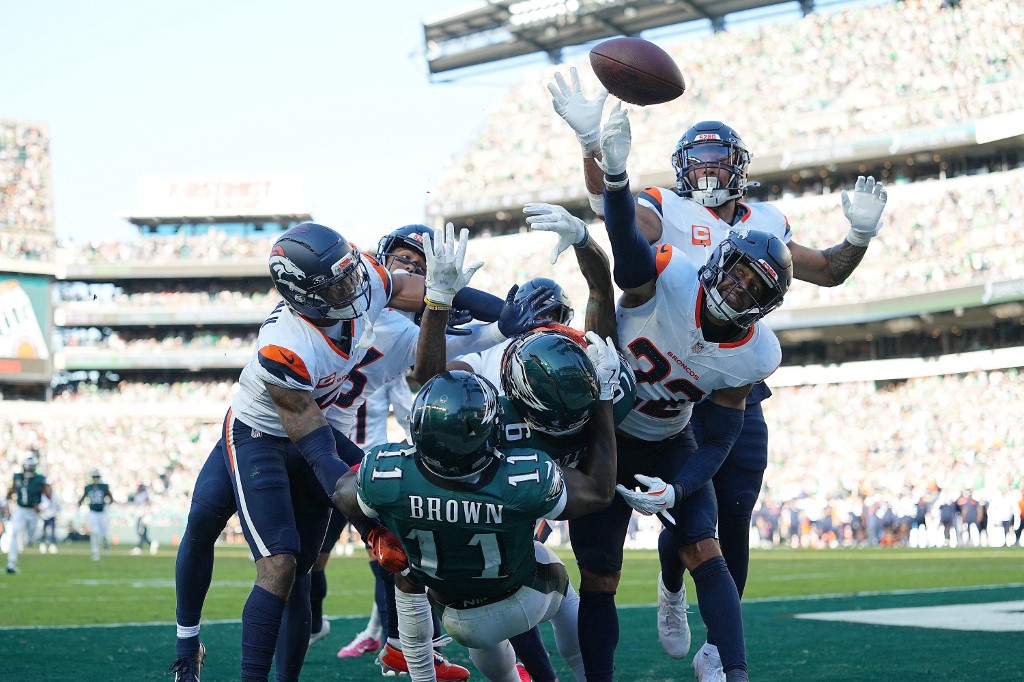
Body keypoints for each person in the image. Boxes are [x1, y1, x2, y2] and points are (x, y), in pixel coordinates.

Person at [549, 66, 887, 679]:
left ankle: (708, 633)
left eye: (718, 161)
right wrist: (595, 152)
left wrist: (858, 236)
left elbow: (829, 269)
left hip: (717, 380)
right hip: (634, 392)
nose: (707, 171)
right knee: (604, 560)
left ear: (740, 168)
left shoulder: (766, 232)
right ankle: (658, 594)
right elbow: (617, 224)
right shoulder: (667, 229)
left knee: (726, 516)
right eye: (697, 160)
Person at [167, 221, 519, 682]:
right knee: (273, 560)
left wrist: (509, 313)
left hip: (317, 424)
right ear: (306, 296)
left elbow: (418, 288)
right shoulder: (285, 347)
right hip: (263, 435)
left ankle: (400, 650)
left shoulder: (360, 277)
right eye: (338, 284)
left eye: (351, 273)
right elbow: (319, 453)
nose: (355, 285)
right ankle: (188, 646)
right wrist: (366, 523)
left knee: (302, 574)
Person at [561, 104, 794, 682]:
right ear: (716, 263)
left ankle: (734, 672)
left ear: (764, 308)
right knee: (600, 574)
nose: (737, 289)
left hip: (670, 439)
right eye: (735, 272)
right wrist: (615, 180)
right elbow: (628, 256)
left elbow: (720, 436)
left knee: (705, 548)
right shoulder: (672, 274)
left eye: (752, 289)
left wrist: (681, 485)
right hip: (606, 437)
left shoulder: (757, 353)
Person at [332, 339, 621, 682]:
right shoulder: (523, 476)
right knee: (556, 576)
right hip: (520, 600)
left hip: (456, 617)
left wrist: (374, 530)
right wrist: (603, 397)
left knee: (408, 571)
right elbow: (600, 492)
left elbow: (341, 494)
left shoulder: (390, 477)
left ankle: (425, 677)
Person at [6, 455, 50, 574]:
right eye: (27, 468)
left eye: (31, 468)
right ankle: (11, 563)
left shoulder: (39, 479)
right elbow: (12, 491)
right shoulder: (18, 477)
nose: (29, 470)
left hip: (33, 513)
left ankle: (26, 543)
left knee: (30, 537)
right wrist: (6, 501)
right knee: (14, 534)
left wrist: (40, 507)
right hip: (20, 510)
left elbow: (49, 496)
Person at [77, 469, 113, 562]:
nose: (96, 479)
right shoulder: (88, 487)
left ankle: (105, 544)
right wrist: (79, 504)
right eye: (94, 477)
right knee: (94, 532)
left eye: (97, 477)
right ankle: (95, 551)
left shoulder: (104, 487)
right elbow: (83, 497)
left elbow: (110, 497)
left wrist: (108, 505)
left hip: (102, 512)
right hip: (93, 512)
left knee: (104, 533)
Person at [131, 483, 158, 556]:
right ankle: (152, 543)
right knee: (143, 533)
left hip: (143, 515)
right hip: (139, 515)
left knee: (141, 532)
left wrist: (146, 514)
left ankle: (139, 548)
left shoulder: (144, 494)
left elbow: (148, 503)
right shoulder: (138, 495)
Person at [38, 487, 61, 554]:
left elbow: (58, 505)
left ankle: (53, 545)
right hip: (44, 516)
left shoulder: (54, 496)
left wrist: (58, 513)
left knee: (53, 531)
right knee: (44, 531)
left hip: (52, 516)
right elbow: (41, 506)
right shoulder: (42, 496)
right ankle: (42, 544)